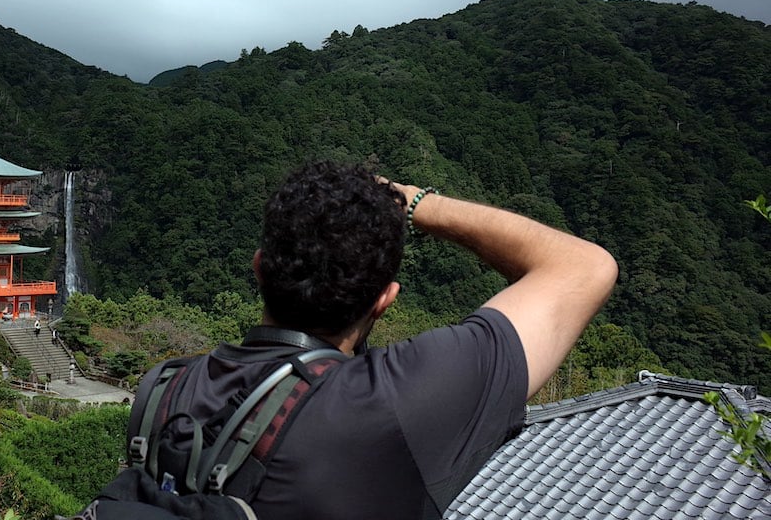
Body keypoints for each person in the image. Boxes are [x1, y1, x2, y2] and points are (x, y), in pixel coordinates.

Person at [126, 161, 617, 520]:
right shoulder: (392, 404)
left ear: (259, 268)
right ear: (386, 298)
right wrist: (415, 202)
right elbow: (585, 267)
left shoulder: (162, 389)